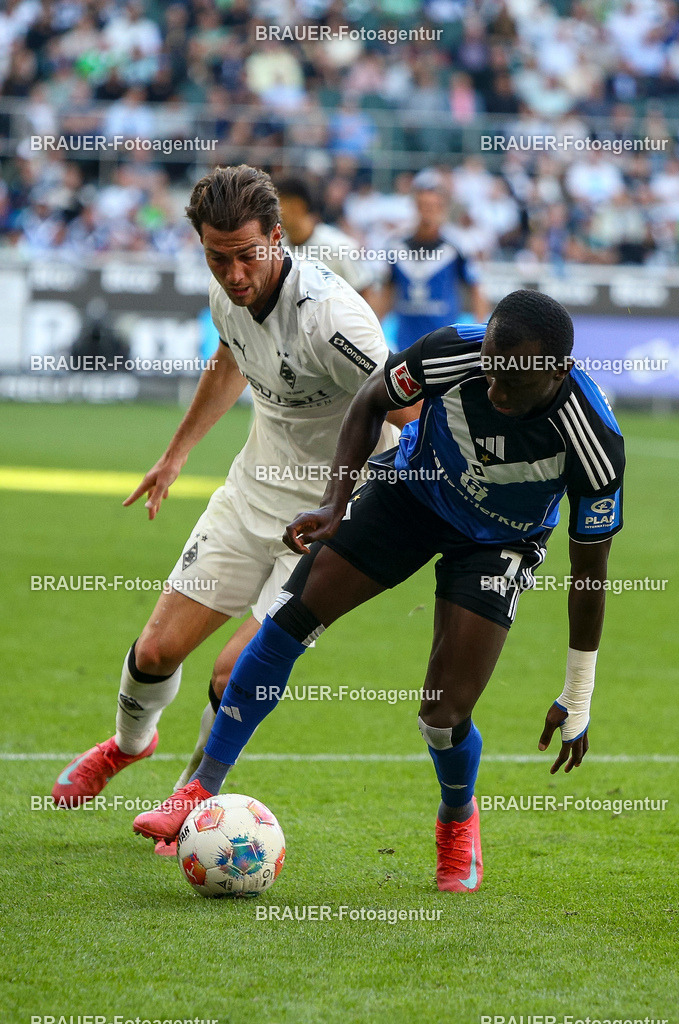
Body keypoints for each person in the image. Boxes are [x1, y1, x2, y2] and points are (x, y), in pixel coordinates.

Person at [132, 289, 625, 893]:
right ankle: (201, 787)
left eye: (512, 383)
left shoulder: (595, 442)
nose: (495, 390)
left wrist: (578, 693)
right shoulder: (452, 352)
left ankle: (457, 818)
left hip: (499, 541)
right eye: (490, 371)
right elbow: (371, 400)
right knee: (287, 620)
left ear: (557, 371)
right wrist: (335, 502)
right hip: (410, 495)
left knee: (443, 716)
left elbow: (590, 575)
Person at [51, 165, 412, 845]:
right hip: (250, 495)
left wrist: (380, 510)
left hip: (326, 521)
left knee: (232, 670)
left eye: (247, 255)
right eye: (218, 258)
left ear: (277, 237)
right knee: (155, 651)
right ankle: (128, 745)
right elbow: (229, 359)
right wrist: (175, 455)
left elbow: (409, 414)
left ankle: (191, 798)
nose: (235, 273)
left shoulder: (333, 319)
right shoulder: (225, 294)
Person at [374, 176, 489, 351]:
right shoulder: (396, 247)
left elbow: (476, 288)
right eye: (423, 205)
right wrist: (376, 328)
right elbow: (387, 290)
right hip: (405, 343)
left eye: (434, 206)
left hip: (444, 343)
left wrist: (480, 335)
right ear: (415, 206)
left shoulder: (457, 246)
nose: (428, 212)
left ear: (443, 208)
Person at [274, 175, 376, 302]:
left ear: (297, 206)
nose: (272, 212)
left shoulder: (338, 247)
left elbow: (365, 291)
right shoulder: (276, 249)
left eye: (277, 205)